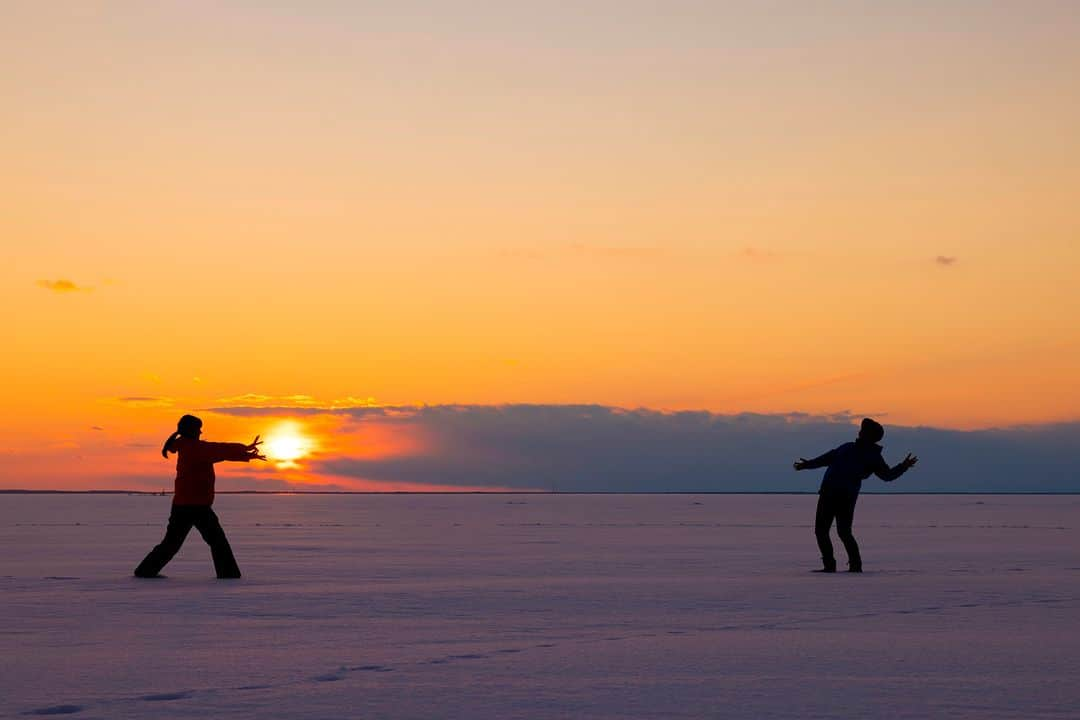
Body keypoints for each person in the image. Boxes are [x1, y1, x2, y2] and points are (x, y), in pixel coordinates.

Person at [134, 414, 264, 579]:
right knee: (217, 542)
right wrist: (244, 449)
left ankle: (145, 571)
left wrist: (245, 452)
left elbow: (218, 450)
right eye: (198, 428)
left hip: (186, 505)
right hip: (195, 506)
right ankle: (229, 576)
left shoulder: (188, 446)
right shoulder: (194, 448)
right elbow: (219, 449)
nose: (201, 431)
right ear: (192, 430)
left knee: (173, 544)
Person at [793, 418, 917, 573]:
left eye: (863, 430)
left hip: (845, 496)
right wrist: (807, 464)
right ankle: (830, 565)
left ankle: (855, 566)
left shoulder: (873, 456)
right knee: (822, 531)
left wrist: (903, 466)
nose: (859, 432)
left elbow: (887, 475)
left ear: (869, 436)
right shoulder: (847, 447)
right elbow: (827, 458)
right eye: (861, 430)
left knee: (842, 532)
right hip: (828, 493)